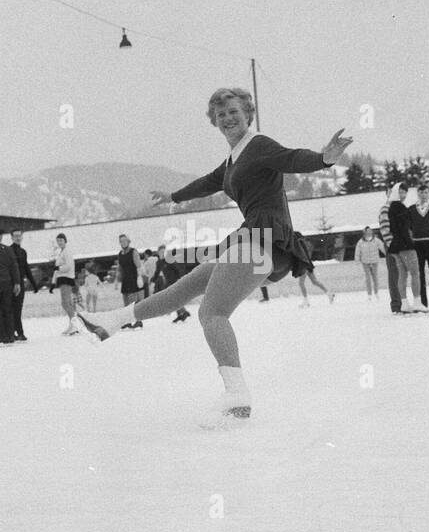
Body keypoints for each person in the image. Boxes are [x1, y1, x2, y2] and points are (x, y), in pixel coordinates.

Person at [78, 85, 351, 425]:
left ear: (247, 114)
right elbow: (208, 182)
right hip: (253, 238)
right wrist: (173, 196)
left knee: (213, 313)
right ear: (214, 122)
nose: (227, 118)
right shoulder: (232, 160)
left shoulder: (259, 145)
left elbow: (292, 158)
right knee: (186, 287)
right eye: (221, 115)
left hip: (263, 237)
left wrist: (324, 158)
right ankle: (112, 321)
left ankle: (237, 398)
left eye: (234, 112)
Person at [385, 184, 419, 313]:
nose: (403, 195)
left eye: (405, 192)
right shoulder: (395, 207)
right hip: (401, 244)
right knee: (413, 273)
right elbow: (389, 229)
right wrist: (392, 243)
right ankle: (414, 302)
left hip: (395, 245)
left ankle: (403, 304)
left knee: (402, 275)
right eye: (400, 192)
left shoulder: (391, 207)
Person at [408, 183, 429, 310]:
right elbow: (405, 222)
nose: (423, 195)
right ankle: (423, 302)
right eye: (421, 192)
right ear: (418, 193)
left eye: (426, 192)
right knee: (420, 273)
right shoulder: (412, 209)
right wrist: (412, 229)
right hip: (418, 243)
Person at [9, 230, 40, 342]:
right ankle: (16, 332)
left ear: (22, 237)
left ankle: (16, 332)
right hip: (11, 284)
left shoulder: (23, 252)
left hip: (20, 283)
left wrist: (34, 284)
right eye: (15, 236)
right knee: (13, 309)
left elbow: (26, 268)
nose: (18, 238)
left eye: (19, 236)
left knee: (18, 309)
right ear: (11, 237)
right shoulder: (9, 250)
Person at [51, 234, 81, 335]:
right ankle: (73, 324)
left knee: (66, 303)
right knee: (66, 303)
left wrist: (59, 268)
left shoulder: (67, 252)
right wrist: (53, 282)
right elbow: (57, 268)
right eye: (58, 241)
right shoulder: (60, 252)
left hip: (66, 279)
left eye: (61, 240)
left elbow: (68, 266)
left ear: (65, 241)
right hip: (61, 279)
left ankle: (75, 325)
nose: (59, 242)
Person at [115, 234, 144, 329]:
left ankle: (138, 321)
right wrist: (116, 280)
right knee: (126, 302)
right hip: (125, 279)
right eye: (121, 241)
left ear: (128, 241)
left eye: (124, 240)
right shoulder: (120, 254)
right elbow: (120, 268)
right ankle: (127, 321)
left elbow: (138, 265)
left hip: (133, 278)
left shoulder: (133, 252)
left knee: (133, 302)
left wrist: (139, 277)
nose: (123, 242)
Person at [354, 225, 385, 299]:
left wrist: (387, 254)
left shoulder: (376, 240)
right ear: (364, 233)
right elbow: (357, 251)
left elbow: (382, 247)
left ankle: (376, 292)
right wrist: (357, 260)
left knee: (375, 278)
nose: (369, 233)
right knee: (368, 278)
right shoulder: (361, 242)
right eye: (367, 232)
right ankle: (369, 294)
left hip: (374, 261)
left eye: (370, 231)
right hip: (365, 262)